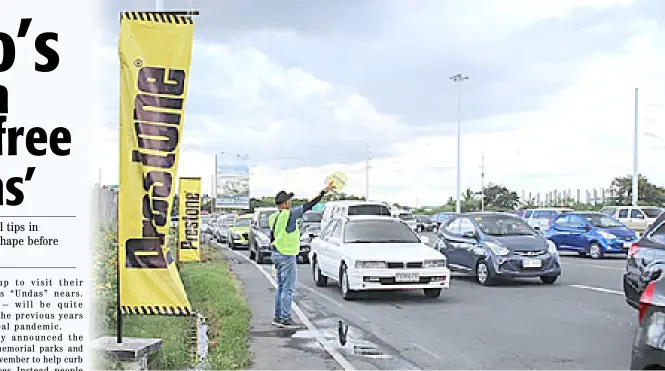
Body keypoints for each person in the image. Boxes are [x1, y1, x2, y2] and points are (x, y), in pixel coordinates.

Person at [269, 182, 335, 328]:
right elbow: (309, 205)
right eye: (289, 200)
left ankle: (278, 316)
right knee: (288, 288)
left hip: (277, 253)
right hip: (287, 255)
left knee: (281, 287)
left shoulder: (274, 217)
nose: (291, 202)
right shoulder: (290, 214)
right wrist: (324, 192)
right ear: (286, 203)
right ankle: (285, 318)